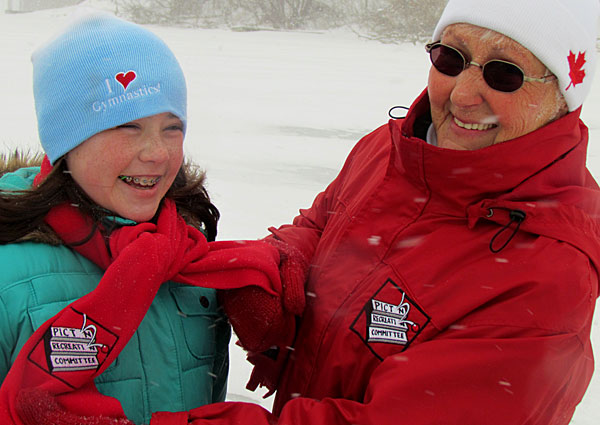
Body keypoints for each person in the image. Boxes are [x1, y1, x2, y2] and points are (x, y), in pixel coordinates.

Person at [12, 0, 600, 424]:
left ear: (562, 92)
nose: (464, 94)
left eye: (504, 73)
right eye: (450, 57)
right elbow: (322, 227)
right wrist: (272, 271)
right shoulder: (396, 151)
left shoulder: (548, 266)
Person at [0, 13, 301, 425]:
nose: (157, 153)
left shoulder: (186, 255)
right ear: (66, 141)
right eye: (128, 127)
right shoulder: (9, 273)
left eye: (172, 127)